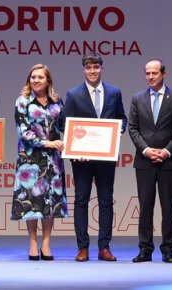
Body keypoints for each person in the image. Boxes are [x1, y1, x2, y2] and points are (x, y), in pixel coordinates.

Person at [63, 54, 127, 262]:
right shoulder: (73, 94)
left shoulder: (114, 92)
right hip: (81, 158)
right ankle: (82, 248)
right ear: (84, 70)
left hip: (105, 157)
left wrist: (118, 130)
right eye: (89, 67)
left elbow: (122, 118)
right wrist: (75, 149)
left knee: (106, 201)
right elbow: (65, 124)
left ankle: (104, 248)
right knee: (81, 201)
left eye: (96, 67)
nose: (92, 71)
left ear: (101, 68)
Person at [128, 59, 172, 263]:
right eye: (147, 73)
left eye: (154, 73)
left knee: (168, 207)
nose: (150, 77)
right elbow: (132, 128)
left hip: (169, 161)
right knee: (145, 207)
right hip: (144, 161)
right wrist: (146, 150)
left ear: (163, 74)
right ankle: (145, 249)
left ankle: (168, 250)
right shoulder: (137, 98)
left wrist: (167, 151)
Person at [10, 64, 68, 261]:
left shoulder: (57, 101)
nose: (36, 80)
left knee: (50, 202)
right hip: (30, 159)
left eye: (40, 77)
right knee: (32, 203)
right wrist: (48, 143)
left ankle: (46, 244)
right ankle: (33, 243)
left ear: (48, 80)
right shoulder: (22, 101)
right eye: (33, 77)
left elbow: (65, 126)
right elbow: (24, 132)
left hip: (53, 160)